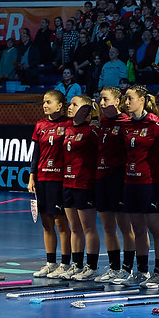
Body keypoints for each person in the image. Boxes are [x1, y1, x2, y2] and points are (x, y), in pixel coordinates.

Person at [117, 84, 159, 286]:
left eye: (130, 98)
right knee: (137, 228)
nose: (127, 102)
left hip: (150, 182)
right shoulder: (126, 125)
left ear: (142, 100)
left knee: (156, 228)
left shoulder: (157, 124)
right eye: (125, 99)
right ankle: (142, 271)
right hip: (130, 182)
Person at [30, 90, 72, 278]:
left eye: (48, 102)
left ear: (60, 105)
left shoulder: (69, 124)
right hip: (42, 178)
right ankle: (50, 263)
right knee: (46, 223)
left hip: (60, 179)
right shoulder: (40, 125)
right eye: (43, 102)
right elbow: (36, 153)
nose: (45, 105)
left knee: (61, 223)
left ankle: (65, 263)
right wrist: (32, 176)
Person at [60, 95, 101, 279]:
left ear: (86, 111)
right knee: (74, 227)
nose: (70, 107)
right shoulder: (68, 129)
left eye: (75, 105)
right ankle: (76, 264)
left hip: (84, 183)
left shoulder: (92, 132)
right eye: (70, 104)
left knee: (88, 227)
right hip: (68, 183)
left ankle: (91, 267)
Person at [92, 87, 129, 281]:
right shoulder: (104, 122)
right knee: (107, 226)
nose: (102, 102)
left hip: (118, 177)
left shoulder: (126, 122)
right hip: (102, 176)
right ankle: (114, 267)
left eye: (106, 99)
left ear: (117, 100)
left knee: (125, 226)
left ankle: (129, 268)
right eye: (100, 99)